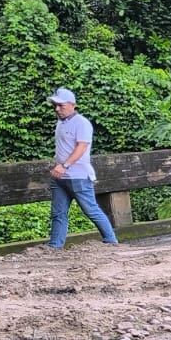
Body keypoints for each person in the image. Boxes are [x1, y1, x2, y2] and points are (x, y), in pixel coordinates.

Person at [47, 87, 119, 249]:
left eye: (61, 105)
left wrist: (64, 165)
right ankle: (55, 246)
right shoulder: (60, 123)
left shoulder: (82, 123)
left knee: (91, 210)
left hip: (78, 176)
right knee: (58, 213)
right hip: (60, 177)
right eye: (55, 106)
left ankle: (111, 241)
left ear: (72, 105)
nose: (57, 109)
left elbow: (82, 147)